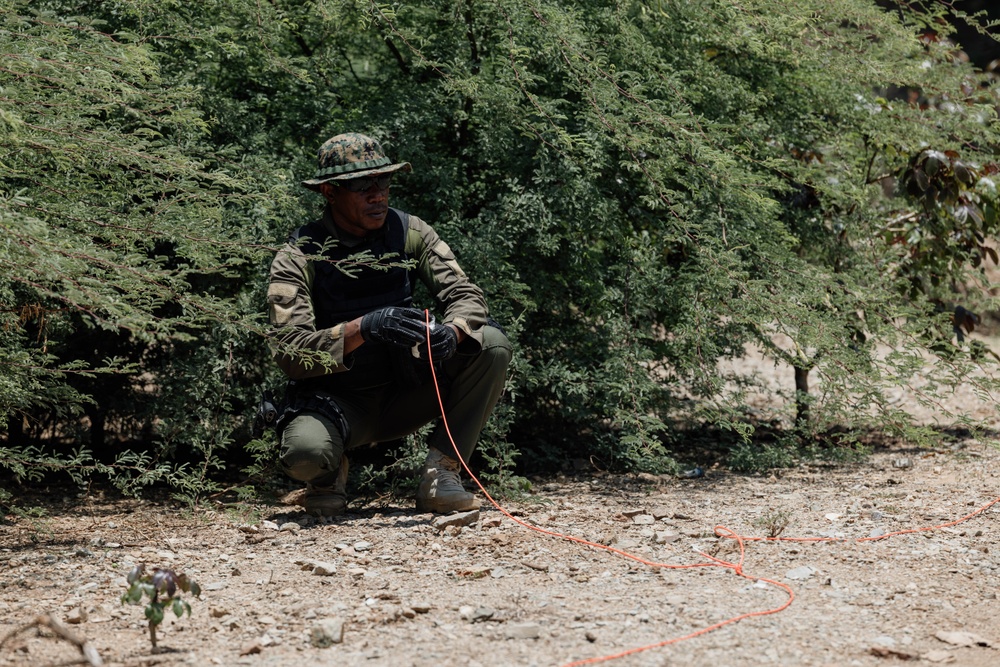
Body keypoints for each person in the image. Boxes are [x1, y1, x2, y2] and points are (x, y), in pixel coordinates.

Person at [266, 132, 512, 517]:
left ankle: (441, 474)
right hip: (339, 403)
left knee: (492, 344)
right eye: (363, 186)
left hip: (408, 390)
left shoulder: (410, 231)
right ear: (330, 192)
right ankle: (327, 478)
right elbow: (290, 351)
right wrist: (364, 327)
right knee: (305, 454)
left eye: (384, 182)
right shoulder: (299, 254)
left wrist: (453, 332)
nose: (378, 194)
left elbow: (467, 296)